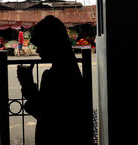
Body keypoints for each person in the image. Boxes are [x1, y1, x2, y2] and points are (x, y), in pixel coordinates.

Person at [17, 15, 93, 145]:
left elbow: (45, 114)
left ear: (52, 44)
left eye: (41, 45)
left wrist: (27, 84)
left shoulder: (54, 75)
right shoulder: (71, 69)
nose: (39, 51)